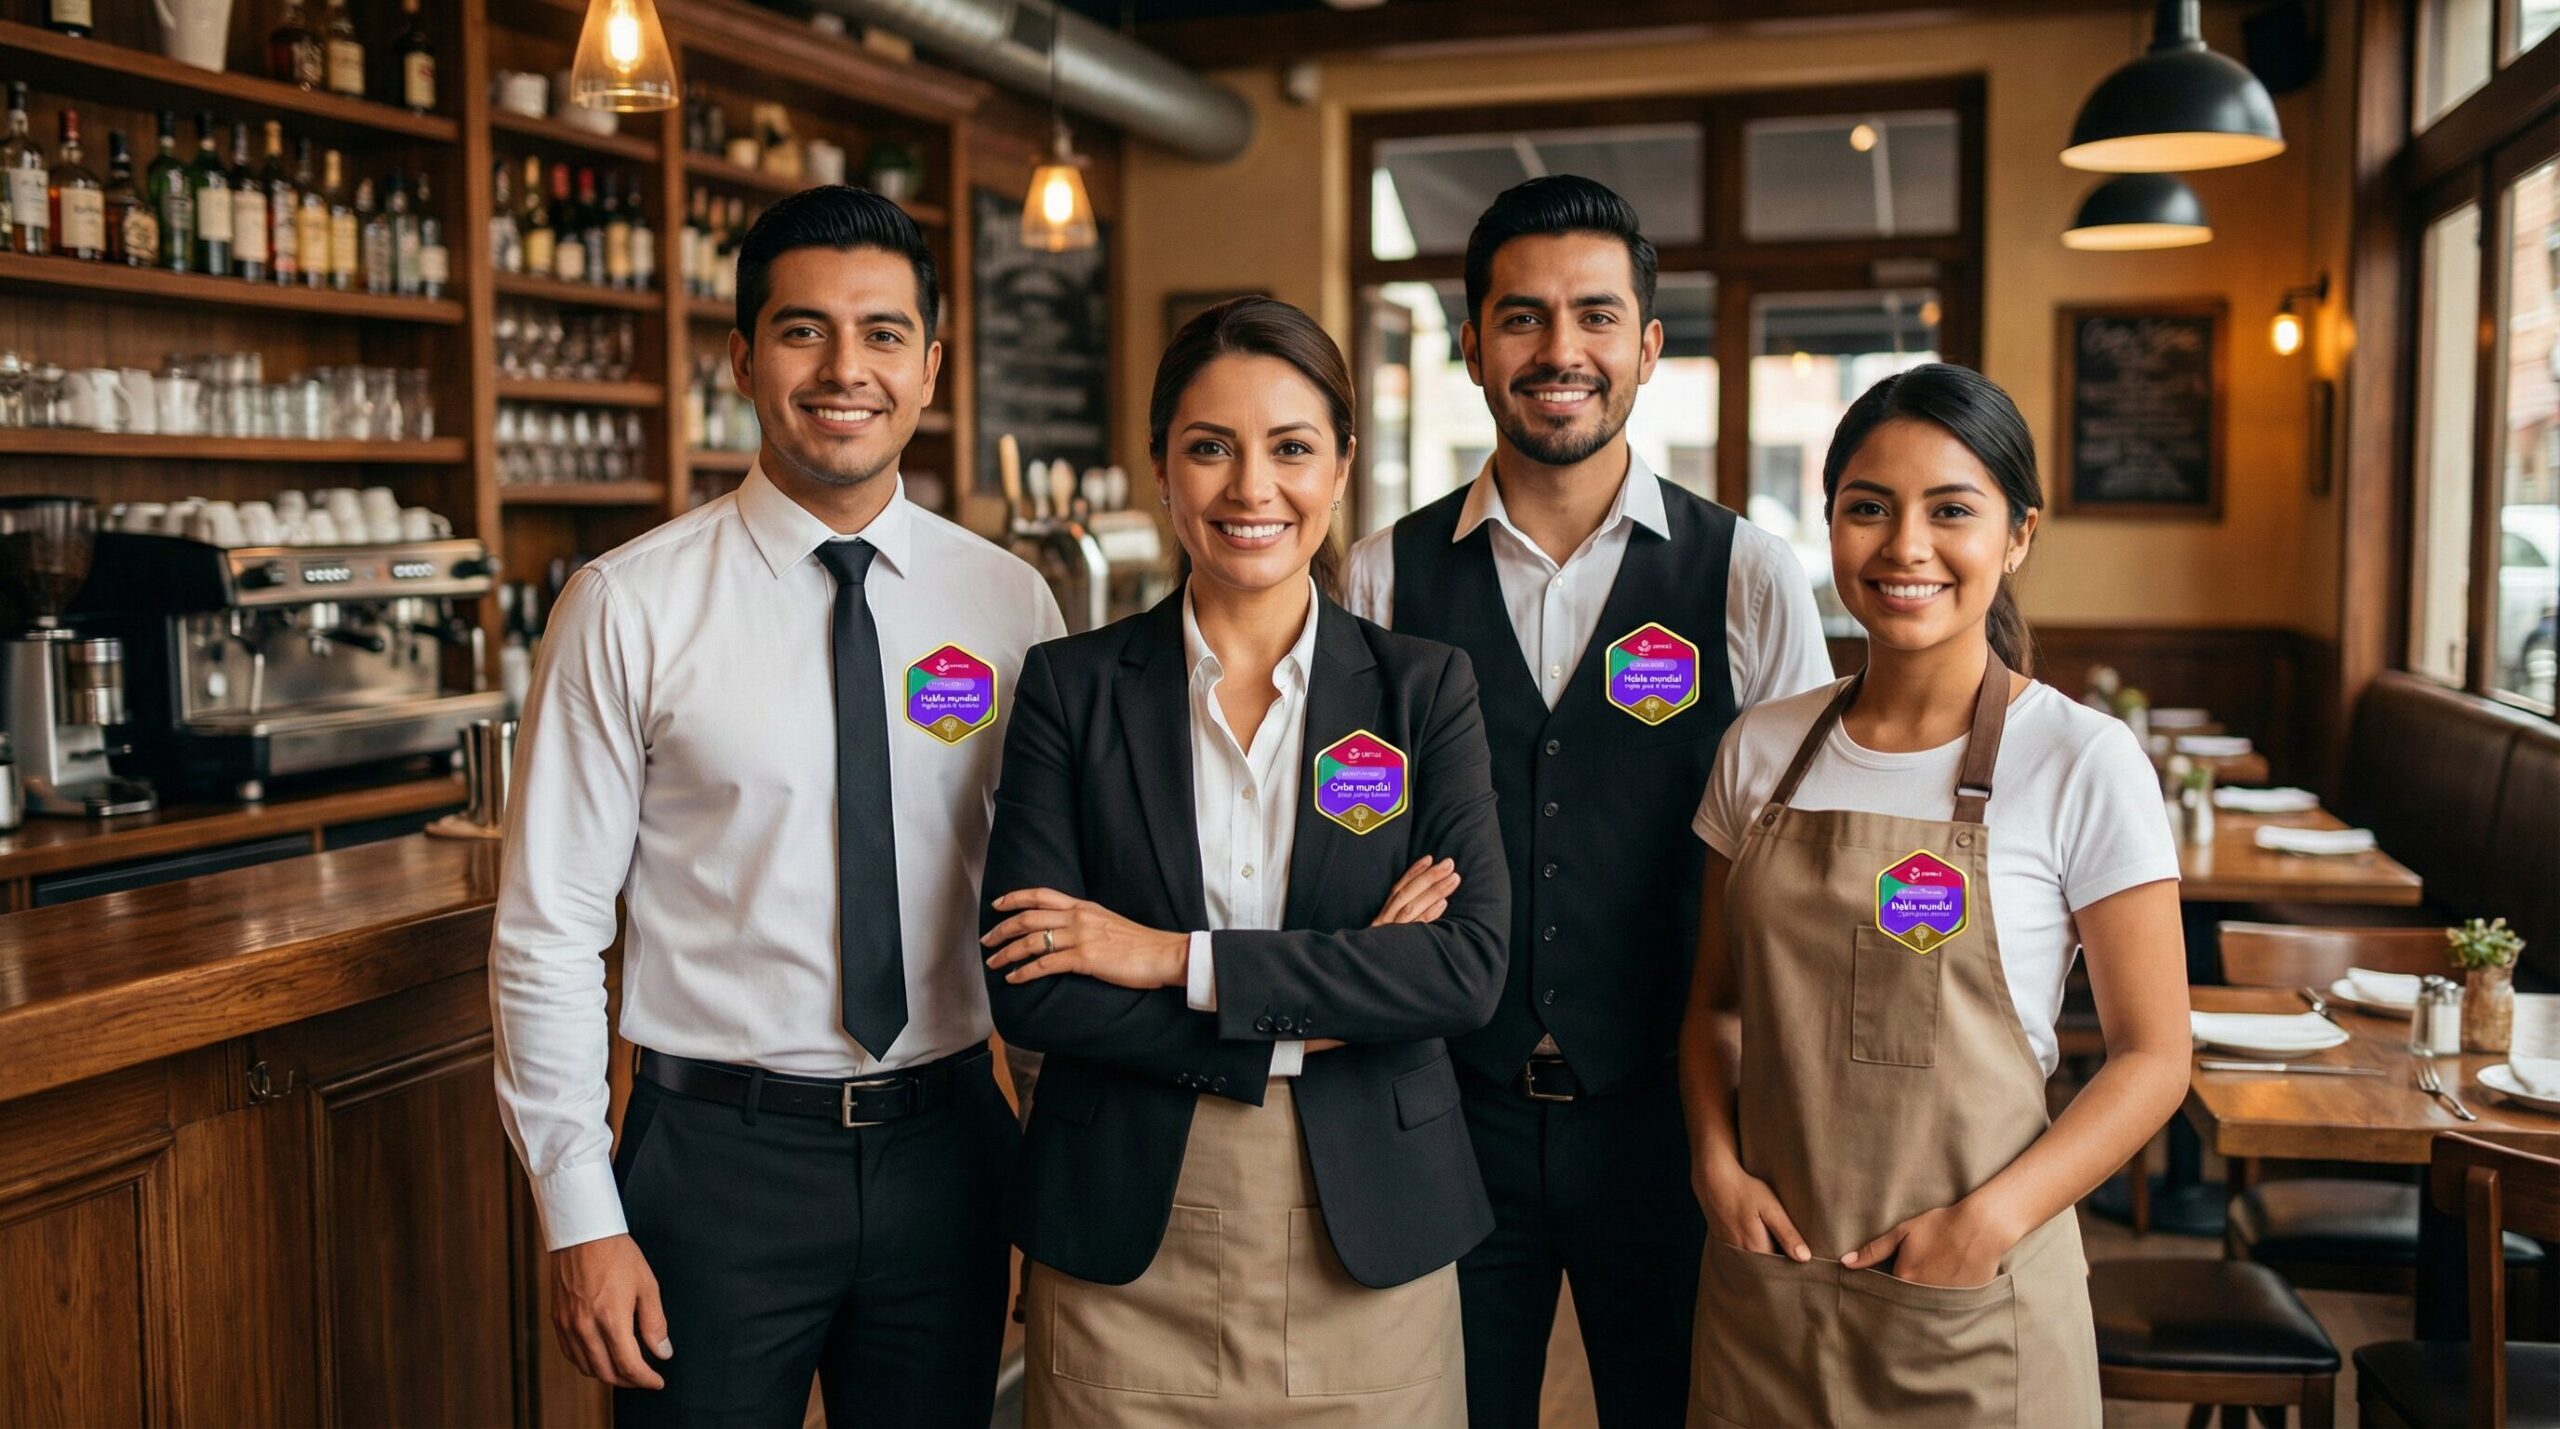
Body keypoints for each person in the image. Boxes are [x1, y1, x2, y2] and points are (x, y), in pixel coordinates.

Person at [488, 185, 1064, 1427]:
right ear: (742, 356)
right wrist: (578, 1212)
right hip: (712, 1164)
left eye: (883, 334)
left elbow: (1038, 902)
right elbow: (548, 931)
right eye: (803, 331)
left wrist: (1054, 1168)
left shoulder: (1012, 605)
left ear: (929, 366)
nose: (844, 368)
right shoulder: (625, 604)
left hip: (951, 1146)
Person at [1343, 174, 1833, 1426]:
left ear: (1649, 346)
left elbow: (1804, 858)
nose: (1560, 351)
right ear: (1470, 347)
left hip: (1672, 1123)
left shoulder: (1749, 575)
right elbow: (1334, 826)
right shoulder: (1380, 572)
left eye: (1596, 317)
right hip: (1444, 1113)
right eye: (1522, 318)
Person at [978, 296, 1511, 1427]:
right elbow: (1032, 989)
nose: (1249, 489)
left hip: (1372, 1227)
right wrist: (1345, 984)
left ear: (1341, 465)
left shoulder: (1424, 690)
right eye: (1209, 447)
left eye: (1290, 448)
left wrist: (1168, 958)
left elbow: (1462, 971)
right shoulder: (1069, 687)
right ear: (1161, 468)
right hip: (1125, 1234)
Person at [1678, 363, 2191, 1427]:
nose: (1903, 547)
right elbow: (1713, 1008)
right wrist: (1716, 1167)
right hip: (1768, 1292)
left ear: (2016, 535)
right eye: (1867, 508)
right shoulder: (1761, 747)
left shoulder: (2081, 758)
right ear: (1828, 527)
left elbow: (2153, 1057)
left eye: (1949, 510)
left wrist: (1987, 1223)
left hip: (1971, 1300)